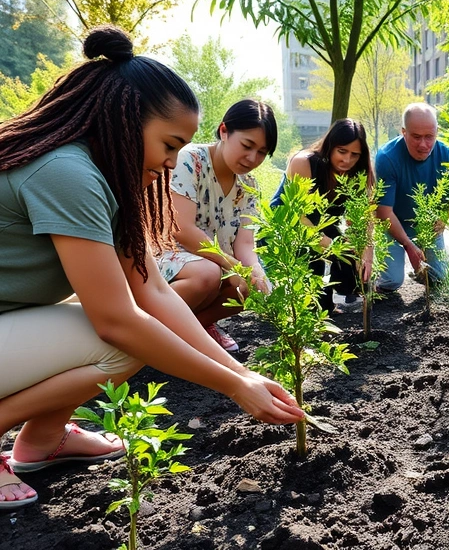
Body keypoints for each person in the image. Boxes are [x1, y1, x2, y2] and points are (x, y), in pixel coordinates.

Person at [0, 26, 303, 510]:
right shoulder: (67, 173)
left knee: (137, 332)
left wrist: (241, 374)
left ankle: (44, 439)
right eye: (168, 144)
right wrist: (232, 387)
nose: (171, 162)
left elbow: (155, 294)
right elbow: (118, 319)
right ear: (122, 121)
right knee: (118, 340)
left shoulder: (106, 178)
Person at [155, 99, 277, 351]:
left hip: (216, 262)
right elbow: (181, 228)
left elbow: (244, 244)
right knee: (208, 274)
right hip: (167, 256)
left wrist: (257, 275)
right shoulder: (190, 161)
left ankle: (192, 332)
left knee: (248, 285)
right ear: (224, 131)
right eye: (247, 145)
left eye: (262, 152)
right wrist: (229, 264)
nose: (252, 157)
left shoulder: (248, 185)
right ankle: (148, 330)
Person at [273, 119, 374, 314]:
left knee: (351, 253)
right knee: (312, 257)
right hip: (291, 223)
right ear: (330, 147)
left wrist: (365, 252)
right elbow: (299, 218)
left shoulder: (360, 173)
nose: (347, 160)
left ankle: (335, 300)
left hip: (324, 223)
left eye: (355, 155)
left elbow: (362, 220)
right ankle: (310, 308)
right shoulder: (305, 163)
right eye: (342, 151)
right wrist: (333, 245)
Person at [374, 103, 449, 291]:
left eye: (429, 137)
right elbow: (383, 211)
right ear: (404, 132)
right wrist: (409, 245)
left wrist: (443, 217)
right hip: (393, 224)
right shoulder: (387, 158)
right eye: (416, 137)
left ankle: (422, 273)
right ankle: (376, 275)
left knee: (438, 279)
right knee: (392, 282)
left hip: (427, 225)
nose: (423, 145)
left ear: (437, 131)